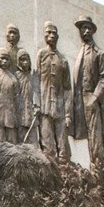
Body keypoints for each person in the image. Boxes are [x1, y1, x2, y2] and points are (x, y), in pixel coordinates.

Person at [69, 15, 104, 175]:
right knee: (88, 135)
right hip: (80, 99)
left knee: (95, 136)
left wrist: (94, 97)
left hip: (93, 98)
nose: (86, 31)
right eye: (83, 28)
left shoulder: (99, 53)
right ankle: (94, 168)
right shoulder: (80, 52)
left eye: (89, 28)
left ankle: (99, 169)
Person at [37, 21, 71, 161]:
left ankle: (65, 170)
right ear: (44, 35)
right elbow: (36, 80)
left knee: (63, 148)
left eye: (54, 33)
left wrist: (67, 114)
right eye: (48, 32)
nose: (51, 35)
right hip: (45, 107)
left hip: (60, 108)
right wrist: (36, 104)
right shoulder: (41, 55)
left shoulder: (63, 60)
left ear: (58, 36)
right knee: (47, 147)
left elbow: (68, 88)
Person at [0, 48, 19, 144]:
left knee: (11, 135)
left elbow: (16, 95)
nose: (4, 61)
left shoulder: (13, 78)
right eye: (2, 58)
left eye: (7, 59)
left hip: (10, 108)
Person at [14, 49, 41, 147]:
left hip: (31, 112)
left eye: (26, 60)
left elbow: (36, 92)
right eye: (22, 60)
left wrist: (37, 106)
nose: (25, 63)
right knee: (21, 140)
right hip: (20, 113)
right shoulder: (16, 76)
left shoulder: (32, 76)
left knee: (33, 140)